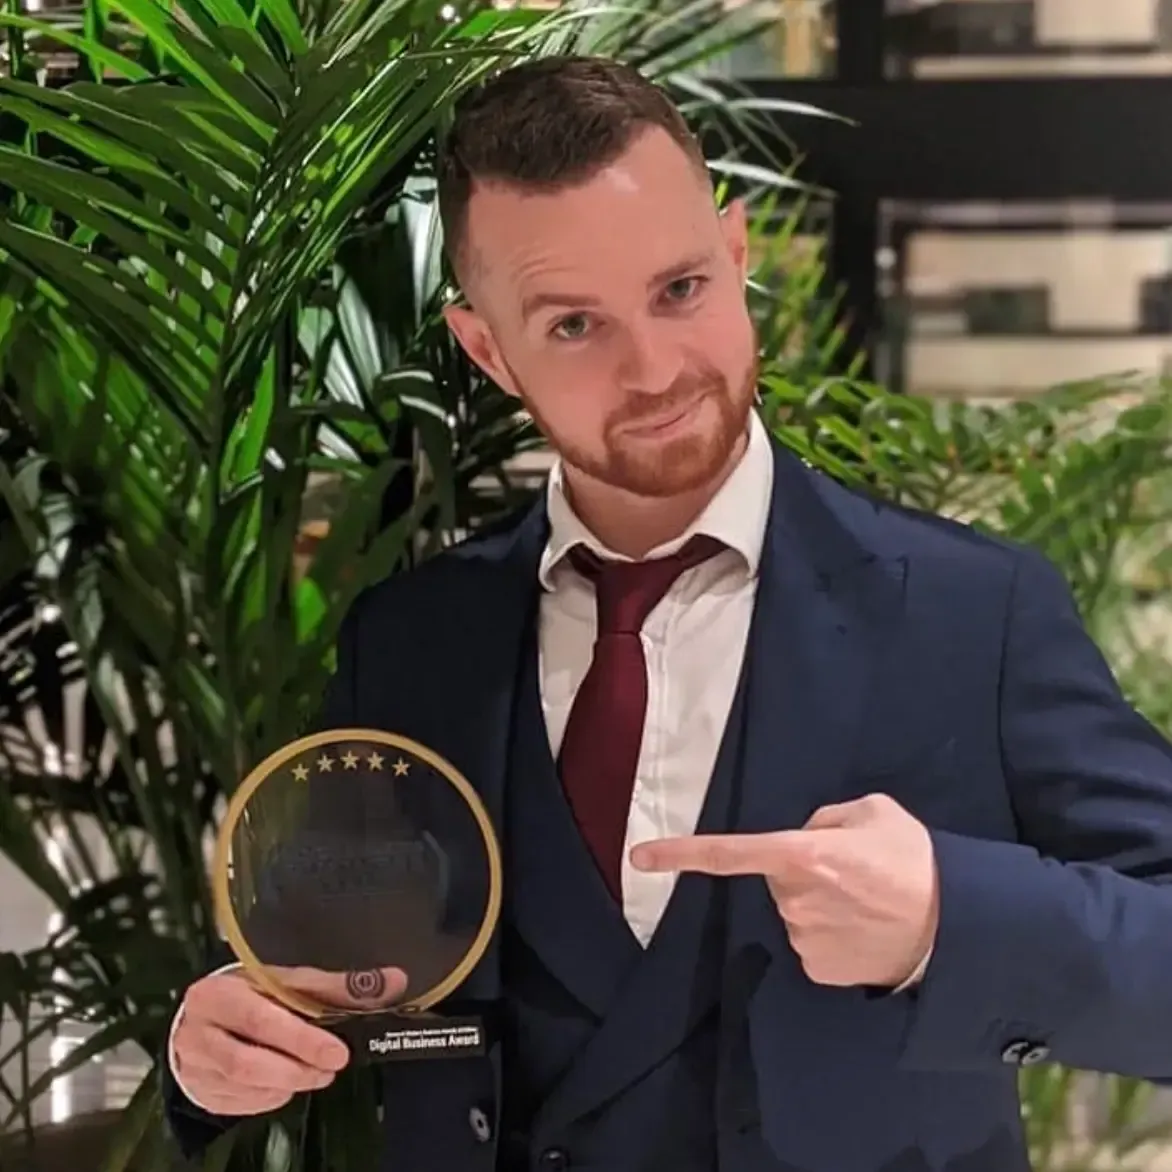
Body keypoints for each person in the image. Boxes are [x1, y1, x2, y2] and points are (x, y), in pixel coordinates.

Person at [163, 55, 1172, 1172]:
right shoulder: (412, 643)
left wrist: (949, 915)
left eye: (679, 289)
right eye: (572, 326)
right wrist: (210, 1053)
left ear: (735, 255)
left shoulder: (970, 613)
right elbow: (300, 968)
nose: (652, 370)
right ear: (487, 349)